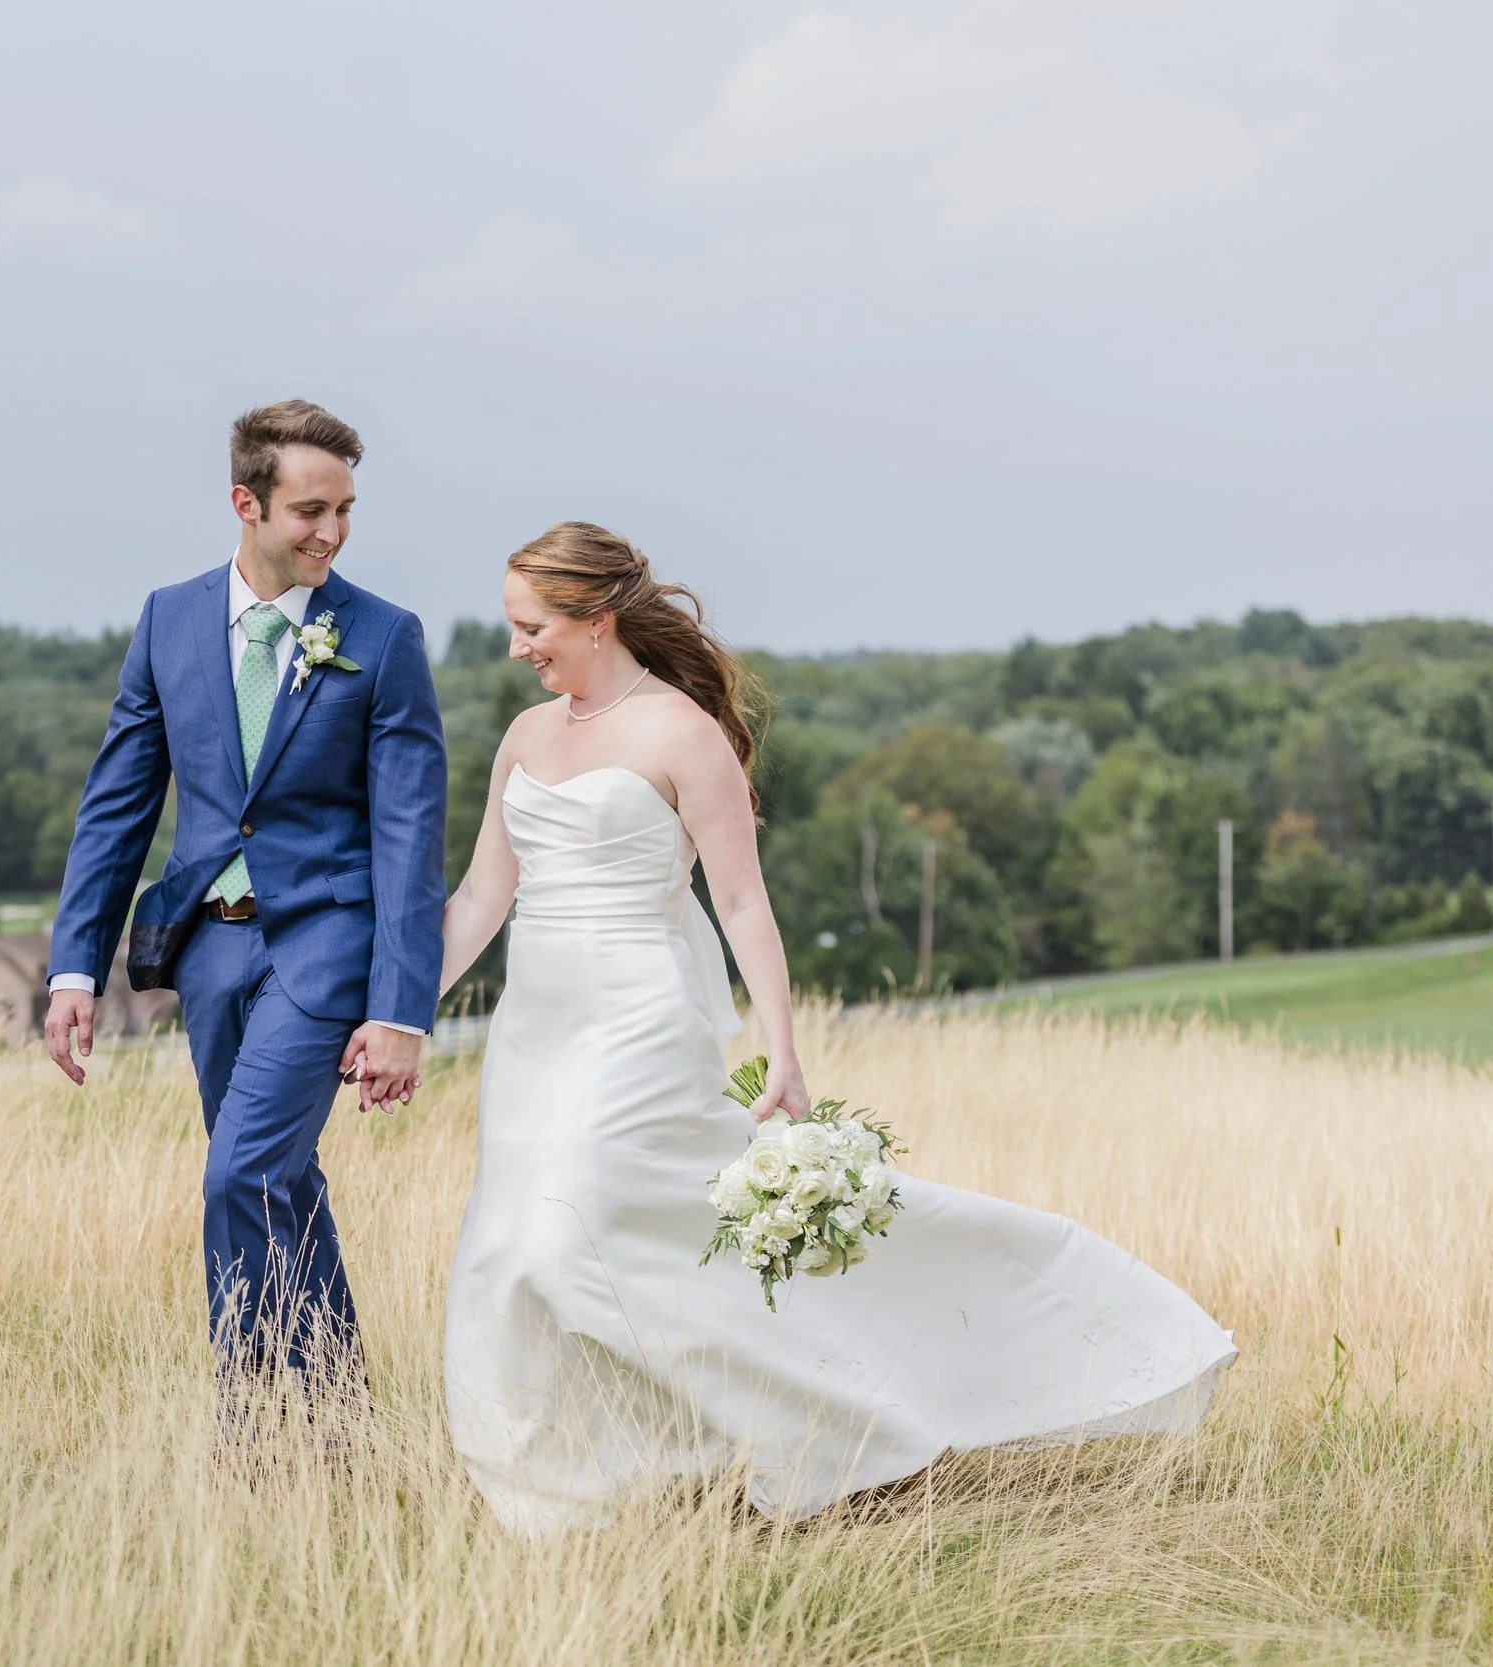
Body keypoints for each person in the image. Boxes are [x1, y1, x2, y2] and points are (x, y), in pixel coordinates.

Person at [436, 521, 1236, 1528]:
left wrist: (782, 1050)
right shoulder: (525, 735)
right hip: (533, 1030)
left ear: (596, 619)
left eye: (531, 626)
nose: (517, 649)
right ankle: (585, 1482)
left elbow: (741, 907)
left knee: (564, 1236)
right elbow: (476, 897)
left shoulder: (682, 733)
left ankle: (863, 1418)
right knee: (510, 1248)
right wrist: (391, 1008)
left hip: (637, 1017)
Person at [44, 400, 447, 1413]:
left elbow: (410, 835)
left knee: (238, 1178)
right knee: (280, 1183)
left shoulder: (384, 637)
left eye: (346, 509)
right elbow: (118, 804)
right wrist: (72, 965)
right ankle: (338, 1419)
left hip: (326, 948)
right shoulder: (168, 619)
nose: (333, 531)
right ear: (245, 502)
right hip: (213, 954)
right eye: (311, 509)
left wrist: (401, 1009)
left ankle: (252, 1420)